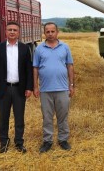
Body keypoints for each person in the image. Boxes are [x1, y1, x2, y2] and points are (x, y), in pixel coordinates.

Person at [0, 21, 33, 153]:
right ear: (6, 32)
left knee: (19, 117)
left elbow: (28, 70)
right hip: (4, 89)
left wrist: (29, 87)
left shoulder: (25, 48)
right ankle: (4, 143)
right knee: (4, 117)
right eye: (9, 30)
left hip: (19, 88)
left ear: (18, 33)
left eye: (15, 30)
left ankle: (19, 143)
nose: (12, 32)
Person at [33, 22, 75, 153]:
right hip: (45, 89)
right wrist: (35, 86)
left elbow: (70, 66)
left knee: (63, 116)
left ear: (57, 32)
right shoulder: (39, 49)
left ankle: (63, 139)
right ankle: (47, 141)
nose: (50, 34)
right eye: (47, 32)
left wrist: (72, 85)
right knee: (47, 117)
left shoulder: (65, 47)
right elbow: (35, 68)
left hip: (62, 88)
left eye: (52, 31)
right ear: (44, 33)